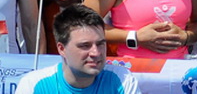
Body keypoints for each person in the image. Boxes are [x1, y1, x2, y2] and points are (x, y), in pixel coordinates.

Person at [13, 5, 141, 94]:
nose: (96, 53)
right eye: (85, 46)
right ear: (62, 49)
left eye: (100, 44)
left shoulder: (122, 79)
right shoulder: (33, 85)